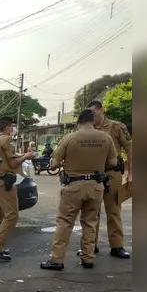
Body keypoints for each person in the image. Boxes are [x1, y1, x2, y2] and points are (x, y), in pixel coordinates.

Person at [40, 109, 117, 271]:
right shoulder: (106, 138)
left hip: (73, 186)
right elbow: (113, 162)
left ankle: (56, 259)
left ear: (78, 122)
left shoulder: (69, 138)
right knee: (90, 222)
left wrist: (63, 163)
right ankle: (88, 258)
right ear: (93, 121)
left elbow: (53, 164)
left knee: (65, 222)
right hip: (96, 186)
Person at [84, 99, 133, 259]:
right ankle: (91, 245)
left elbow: (130, 149)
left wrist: (130, 173)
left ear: (101, 110)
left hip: (112, 173)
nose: (91, 116)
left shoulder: (116, 127)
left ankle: (117, 246)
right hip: (92, 174)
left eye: (93, 112)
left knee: (113, 210)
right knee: (92, 211)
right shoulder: (87, 129)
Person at [0, 116, 35, 261]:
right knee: (12, 215)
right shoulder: (7, 140)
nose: (13, 129)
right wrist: (27, 155)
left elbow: (8, 158)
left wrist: (22, 155)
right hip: (3, 184)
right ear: (7, 128)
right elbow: (13, 163)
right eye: (12, 126)